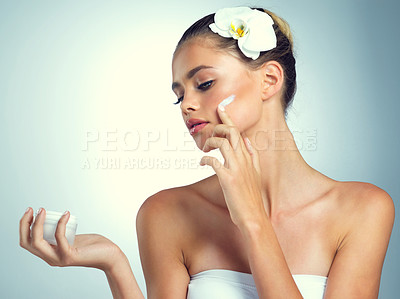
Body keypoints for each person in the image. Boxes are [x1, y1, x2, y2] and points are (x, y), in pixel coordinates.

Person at [19, 6, 395, 299]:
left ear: (269, 80)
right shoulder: (165, 213)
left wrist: (252, 221)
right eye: (179, 95)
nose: (186, 105)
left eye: (204, 83)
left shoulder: (363, 210)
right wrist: (114, 263)